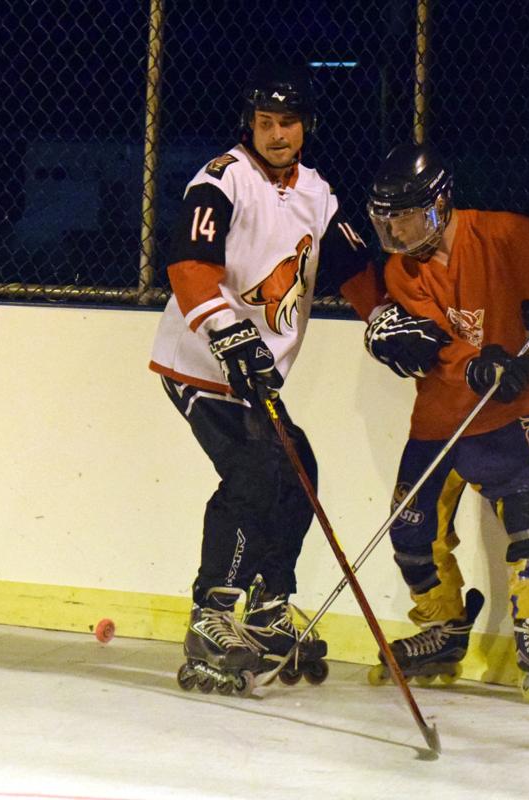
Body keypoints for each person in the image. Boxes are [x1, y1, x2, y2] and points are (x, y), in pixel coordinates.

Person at [360, 142, 529, 707]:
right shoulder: (400, 271)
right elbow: (439, 345)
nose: (402, 233)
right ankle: (445, 630)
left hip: (509, 413)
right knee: (411, 535)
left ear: (440, 204)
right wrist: (481, 364)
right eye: (390, 223)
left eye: (409, 218)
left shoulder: (500, 235)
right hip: (438, 418)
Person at [149, 61, 386, 694]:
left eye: (288, 122)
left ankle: (268, 605)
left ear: (306, 126)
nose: (277, 134)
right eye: (265, 122)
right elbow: (189, 266)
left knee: (298, 466)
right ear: (248, 125)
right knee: (255, 468)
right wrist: (227, 333)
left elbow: (351, 267)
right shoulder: (222, 180)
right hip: (199, 362)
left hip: (256, 373)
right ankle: (212, 614)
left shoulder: (318, 193)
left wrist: (384, 319)